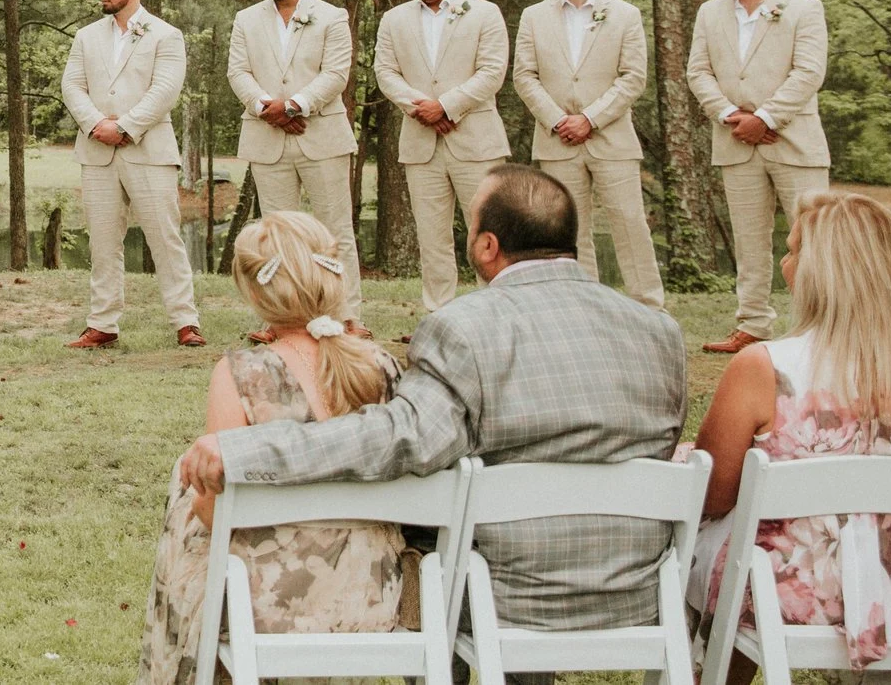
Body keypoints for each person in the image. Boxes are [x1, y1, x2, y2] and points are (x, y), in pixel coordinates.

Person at [175, 164, 689, 630]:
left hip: (502, 598)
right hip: (643, 594)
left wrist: (246, 451)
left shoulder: (462, 329)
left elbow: (399, 438)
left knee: (439, 563)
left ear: (487, 246)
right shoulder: (660, 331)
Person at [690, 189, 891, 664]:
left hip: (792, 597)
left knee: (713, 545)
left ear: (820, 272)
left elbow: (713, 497)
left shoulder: (766, 366)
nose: (784, 261)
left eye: (792, 250)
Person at [141, 211, 405, 685]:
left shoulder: (242, 373)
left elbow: (213, 512)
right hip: (369, 593)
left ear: (257, 294)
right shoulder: (383, 367)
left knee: (187, 495)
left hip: (265, 602)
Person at [689, 0, 830, 355]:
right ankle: (752, 324)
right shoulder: (710, 12)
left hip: (795, 142)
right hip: (735, 141)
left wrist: (766, 117)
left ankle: (820, 327)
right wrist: (732, 115)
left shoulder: (803, 8)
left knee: (814, 239)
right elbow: (698, 71)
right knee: (749, 241)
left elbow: (809, 72)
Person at [58, 0, 202, 350]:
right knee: (102, 241)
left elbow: (165, 91)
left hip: (149, 151)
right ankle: (102, 323)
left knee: (164, 238)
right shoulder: (86, 36)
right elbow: (71, 85)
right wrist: (96, 125)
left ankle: (186, 321)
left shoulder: (166, 36)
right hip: (96, 151)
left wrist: (125, 127)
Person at [511, 0, 661, 306]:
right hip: (557, 139)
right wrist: (558, 120)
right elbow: (524, 76)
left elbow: (633, 77)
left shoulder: (625, 15)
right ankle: (581, 306)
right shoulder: (535, 15)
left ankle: (649, 306)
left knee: (629, 223)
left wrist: (590, 120)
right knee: (567, 230)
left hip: (612, 139)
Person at [226, 0, 362, 325]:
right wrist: (264, 108)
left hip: (321, 136)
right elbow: (238, 72)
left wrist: (293, 105)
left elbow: (336, 73)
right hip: (267, 139)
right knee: (276, 233)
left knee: (336, 230)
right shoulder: (247, 19)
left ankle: (347, 315)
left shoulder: (331, 16)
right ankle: (282, 319)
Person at [372, 0, 509, 315]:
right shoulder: (394, 19)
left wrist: (447, 106)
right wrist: (420, 108)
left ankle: (493, 314)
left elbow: (493, 71)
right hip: (421, 143)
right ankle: (440, 316)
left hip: (476, 141)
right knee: (432, 238)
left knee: (487, 233)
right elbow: (385, 71)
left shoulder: (484, 13)